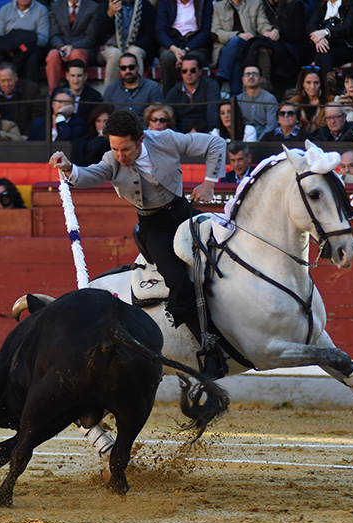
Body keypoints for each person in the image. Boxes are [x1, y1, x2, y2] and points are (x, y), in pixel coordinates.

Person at [49, 109, 228, 378]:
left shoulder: (166, 139)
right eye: (114, 148)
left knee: (228, 249)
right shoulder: (111, 159)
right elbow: (92, 174)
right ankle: (209, 349)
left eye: (126, 149)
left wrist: (210, 182)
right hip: (154, 227)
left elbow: (215, 143)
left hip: (183, 211)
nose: (120, 156)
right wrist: (68, 168)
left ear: (141, 140)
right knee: (178, 281)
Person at [211, 0, 274, 96]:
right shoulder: (219, 6)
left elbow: (262, 23)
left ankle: (221, 78)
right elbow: (215, 32)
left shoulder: (255, 3)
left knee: (237, 47)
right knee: (236, 48)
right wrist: (237, 35)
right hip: (226, 49)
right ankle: (235, 96)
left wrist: (268, 31)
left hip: (248, 46)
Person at [156, 0, 214, 96]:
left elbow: (205, 31)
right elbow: (160, 31)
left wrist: (186, 50)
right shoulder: (165, 2)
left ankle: (195, 97)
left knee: (191, 61)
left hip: (195, 45)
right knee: (167, 58)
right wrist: (174, 49)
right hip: (172, 44)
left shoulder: (204, 2)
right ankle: (168, 98)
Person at [45, 0, 102, 93]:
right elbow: (54, 34)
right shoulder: (55, 6)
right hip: (61, 47)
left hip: (83, 48)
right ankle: (53, 93)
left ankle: (77, 92)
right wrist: (61, 47)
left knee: (76, 54)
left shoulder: (93, 7)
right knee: (52, 55)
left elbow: (90, 38)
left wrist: (72, 47)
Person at [97, 0, 156, 87]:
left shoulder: (145, 5)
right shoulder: (108, 3)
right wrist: (110, 14)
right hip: (111, 47)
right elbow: (100, 32)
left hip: (136, 46)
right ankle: (109, 97)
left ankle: (137, 95)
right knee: (115, 54)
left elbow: (150, 34)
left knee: (134, 52)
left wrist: (137, 44)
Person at [0, 0, 49, 86]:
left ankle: (31, 94)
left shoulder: (41, 10)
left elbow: (43, 38)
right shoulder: (5, 9)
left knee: (33, 59)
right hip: (9, 49)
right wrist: (10, 47)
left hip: (30, 49)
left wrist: (25, 46)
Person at [0, 62, 45, 136]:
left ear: (16, 77)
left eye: (9, 80)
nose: (6, 84)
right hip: (1, 138)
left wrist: (27, 135)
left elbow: (38, 117)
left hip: (27, 138)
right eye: (3, 81)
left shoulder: (31, 90)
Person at [164, 54, 221, 133]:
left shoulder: (210, 86)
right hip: (181, 136)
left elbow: (212, 112)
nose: (188, 73)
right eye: (184, 71)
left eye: (192, 70)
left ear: (200, 71)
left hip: (205, 133)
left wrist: (212, 133)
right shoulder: (174, 92)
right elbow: (170, 119)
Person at [307, 0, 353, 79]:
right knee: (322, 50)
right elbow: (311, 24)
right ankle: (329, 77)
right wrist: (318, 39)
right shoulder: (322, 5)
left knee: (320, 54)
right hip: (325, 45)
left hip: (345, 46)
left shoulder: (351, 4)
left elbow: (348, 27)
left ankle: (327, 80)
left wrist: (326, 32)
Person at [235, 63, 278, 139]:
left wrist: (259, 141)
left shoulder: (269, 99)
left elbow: (271, 126)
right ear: (243, 79)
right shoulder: (238, 100)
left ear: (261, 79)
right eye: (247, 74)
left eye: (254, 74)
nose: (251, 77)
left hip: (264, 141)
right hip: (243, 140)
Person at [291, 66, 332, 134]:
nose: (312, 87)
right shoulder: (294, 101)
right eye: (308, 83)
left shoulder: (330, 101)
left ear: (321, 84)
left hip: (324, 141)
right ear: (303, 84)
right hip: (300, 141)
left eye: (316, 83)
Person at [65, 58, 102, 124]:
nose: (76, 80)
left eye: (79, 76)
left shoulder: (94, 97)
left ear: (85, 76)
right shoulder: (59, 94)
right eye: (72, 76)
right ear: (67, 76)